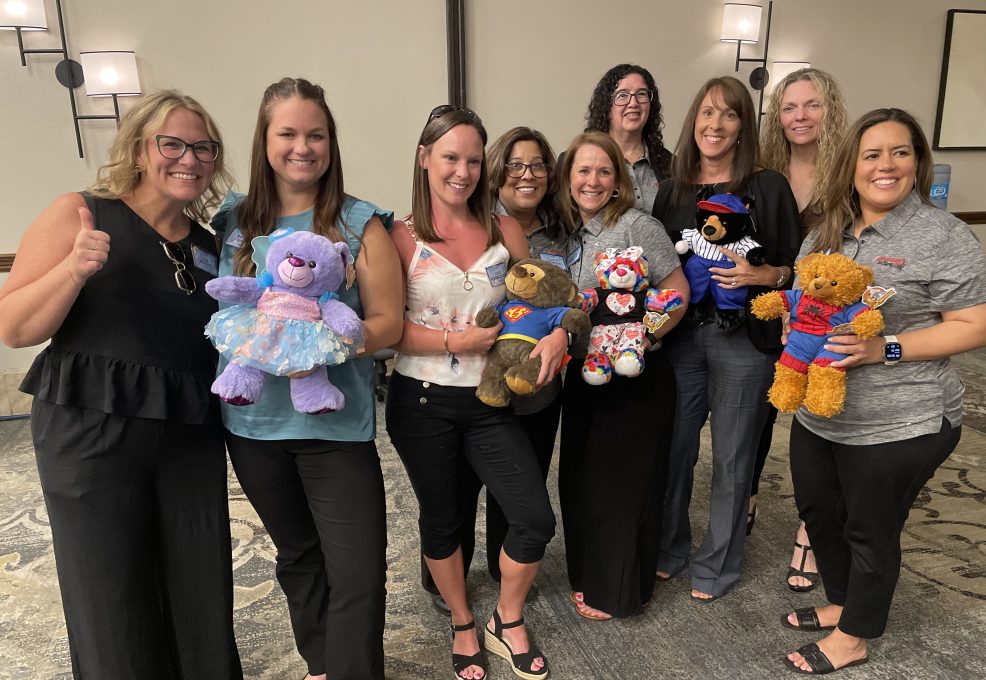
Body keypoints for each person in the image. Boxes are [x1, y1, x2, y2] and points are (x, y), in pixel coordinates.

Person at [0, 91, 241, 678]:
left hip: (188, 434)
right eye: (173, 143)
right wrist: (74, 268)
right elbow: (14, 327)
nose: (190, 157)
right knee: (108, 587)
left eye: (203, 147)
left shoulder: (211, 247)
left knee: (198, 582)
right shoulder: (82, 213)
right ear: (139, 148)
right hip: (90, 429)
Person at [781, 108, 986, 674]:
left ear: (917, 162)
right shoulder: (828, 230)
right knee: (820, 514)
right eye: (872, 154)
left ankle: (855, 636)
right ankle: (843, 604)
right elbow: (805, 295)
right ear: (851, 165)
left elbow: (974, 324)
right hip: (821, 414)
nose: (885, 166)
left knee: (869, 529)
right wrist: (792, 326)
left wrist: (884, 347)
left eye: (900, 153)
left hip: (905, 419)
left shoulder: (941, 235)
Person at [210, 78, 402, 680]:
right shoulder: (233, 220)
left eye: (315, 134)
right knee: (297, 555)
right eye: (287, 133)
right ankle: (322, 662)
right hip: (251, 425)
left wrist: (316, 337)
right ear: (265, 141)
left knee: (359, 569)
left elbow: (389, 322)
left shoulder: (359, 222)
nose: (302, 146)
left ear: (331, 142)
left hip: (334, 425)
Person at [386, 106, 563, 680]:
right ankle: (464, 621)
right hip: (421, 402)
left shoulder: (503, 227)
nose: (461, 171)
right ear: (424, 158)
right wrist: (452, 339)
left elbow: (548, 297)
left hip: (489, 403)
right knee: (443, 521)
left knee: (534, 518)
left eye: (471, 159)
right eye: (449, 157)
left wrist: (560, 331)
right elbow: (382, 328)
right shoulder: (398, 236)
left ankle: (505, 618)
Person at [651, 76, 801, 601]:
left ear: (743, 127)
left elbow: (795, 268)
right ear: (694, 121)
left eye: (729, 115)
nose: (715, 125)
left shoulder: (768, 186)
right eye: (707, 114)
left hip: (743, 339)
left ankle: (718, 564)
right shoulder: (671, 190)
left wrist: (766, 277)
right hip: (679, 341)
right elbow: (655, 266)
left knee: (734, 458)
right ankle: (669, 549)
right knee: (672, 451)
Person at [418, 126, 575, 607]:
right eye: (515, 165)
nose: (528, 175)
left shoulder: (566, 229)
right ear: (497, 171)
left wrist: (562, 331)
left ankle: (505, 565)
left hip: (540, 385)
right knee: (458, 489)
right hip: (476, 379)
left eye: (538, 165)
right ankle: (447, 577)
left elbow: (568, 300)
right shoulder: (483, 223)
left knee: (522, 480)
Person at [558, 131, 688, 620]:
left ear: (619, 181)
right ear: (568, 177)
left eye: (603, 171)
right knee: (582, 479)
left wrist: (643, 341)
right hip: (584, 375)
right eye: (583, 171)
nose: (592, 180)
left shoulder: (639, 227)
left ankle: (619, 589)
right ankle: (588, 573)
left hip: (634, 378)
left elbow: (677, 293)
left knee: (624, 485)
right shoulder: (566, 232)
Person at [753, 67, 849, 592]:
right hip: (769, 303)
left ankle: (810, 530)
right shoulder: (766, 170)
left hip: (823, 314)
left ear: (830, 110)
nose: (800, 117)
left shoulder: (847, 170)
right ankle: (746, 496)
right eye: (789, 107)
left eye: (811, 106)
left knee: (819, 418)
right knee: (760, 412)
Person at [582, 63, 675, 213]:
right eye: (623, 95)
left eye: (641, 94)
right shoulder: (578, 161)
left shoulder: (673, 166)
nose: (633, 103)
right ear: (607, 104)